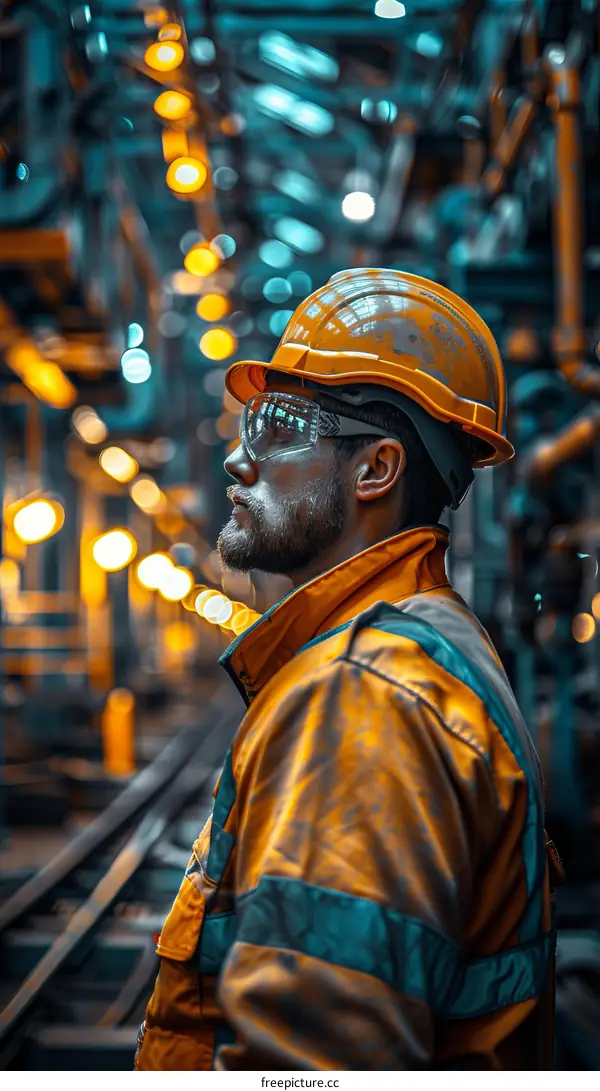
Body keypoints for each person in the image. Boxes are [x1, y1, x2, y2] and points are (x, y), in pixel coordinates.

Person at [135, 269, 559, 1071]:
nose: (236, 457)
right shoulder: (430, 643)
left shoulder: (365, 694)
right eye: (246, 423)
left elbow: (319, 1062)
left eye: (276, 425)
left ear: (376, 470)